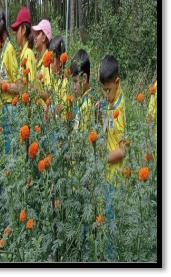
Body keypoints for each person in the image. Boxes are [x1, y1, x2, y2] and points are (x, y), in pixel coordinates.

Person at [97, 55, 126, 261]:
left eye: (109, 90)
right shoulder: (110, 103)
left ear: (117, 82)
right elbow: (106, 130)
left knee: (113, 233)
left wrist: (103, 158)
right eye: (103, 90)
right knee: (107, 227)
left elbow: (123, 150)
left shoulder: (121, 108)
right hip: (108, 177)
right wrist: (100, 115)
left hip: (116, 179)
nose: (106, 94)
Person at [0, 8, 19, 153]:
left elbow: (19, 86)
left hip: (11, 110)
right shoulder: (3, 51)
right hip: (5, 108)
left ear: (0, 29)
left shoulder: (9, 50)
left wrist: (3, 84)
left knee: (11, 152)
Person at [11, 6, 36, 84]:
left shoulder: (28, 54)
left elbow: (30, 88)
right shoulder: (24, 54)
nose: (15, 33)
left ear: (23, 29)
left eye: (17, 29)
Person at [71, 49, 94, 131]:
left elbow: (81, 140)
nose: (74, 87)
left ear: (84, 78)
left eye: (75, 81)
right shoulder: (82, 99)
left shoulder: (86, 106)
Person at [32, 19, 52, 93]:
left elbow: (49, 91)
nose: (35, 38)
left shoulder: (48, 61)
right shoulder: (41, 61)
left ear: (44, 38)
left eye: (37, 34)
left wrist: (35, 90)